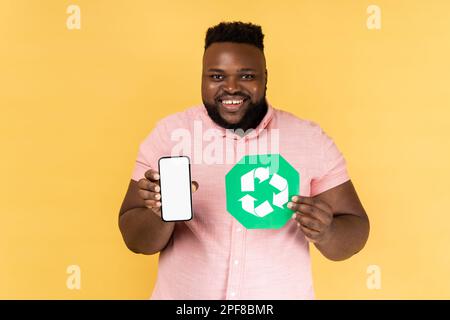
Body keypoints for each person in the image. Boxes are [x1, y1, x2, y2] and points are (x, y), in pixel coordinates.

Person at [119, 21, 369, 300]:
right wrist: (160, 212)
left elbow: (356, 227)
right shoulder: (169, 135)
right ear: (202, 78)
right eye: (216, 77)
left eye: (246, 76)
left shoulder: (309, 138)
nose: (231, 88)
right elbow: (136, 241)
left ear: (265, 76)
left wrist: (328, 232)